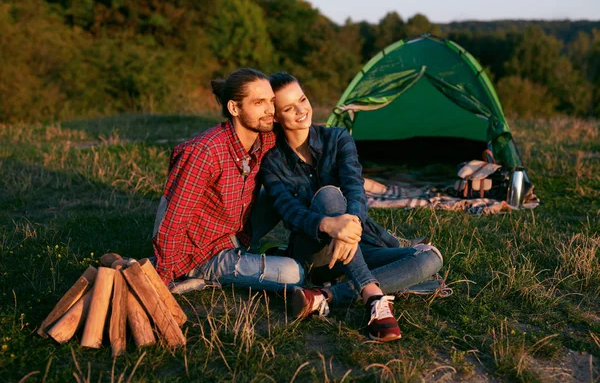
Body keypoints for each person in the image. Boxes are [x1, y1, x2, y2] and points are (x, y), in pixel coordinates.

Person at [261, 72, 445, 342]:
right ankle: (373, 296)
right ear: (276, 116)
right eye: (289, 108)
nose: (301, 110)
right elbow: (289, 211)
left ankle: (325, 296)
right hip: (314, 254)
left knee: (430, 257)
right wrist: (327, 224)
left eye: (302, 99)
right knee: (329, 197)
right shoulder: (273, 161)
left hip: (355, 242)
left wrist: (351, 225)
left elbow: (355, 188)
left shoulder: (337, 138)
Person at [152, 68, 304, 292]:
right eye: (259, 102)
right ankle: (201, 274)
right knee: (293, 273)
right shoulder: (204, 152)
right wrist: (162, 277)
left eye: (271, 101)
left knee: (286, 191)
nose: (270, 110)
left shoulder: (265, 139)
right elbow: (173, 221)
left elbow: (306, 137)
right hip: (200, 252)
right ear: (234, 108)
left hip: (234, 233)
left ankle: (297, 248)